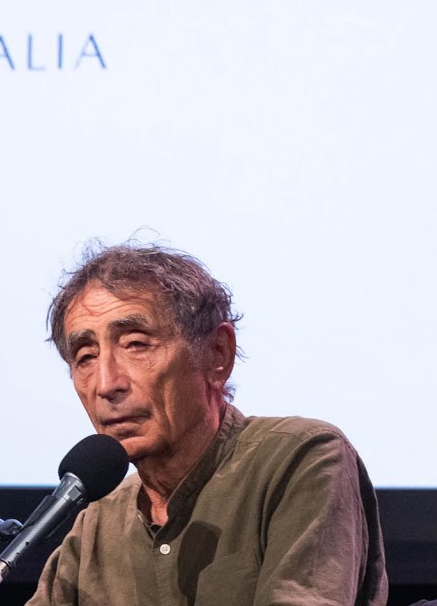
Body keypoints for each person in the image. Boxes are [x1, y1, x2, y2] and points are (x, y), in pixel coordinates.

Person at [27, 242, 387, 606]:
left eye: (136, 344)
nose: (106, 384)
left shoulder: (300, 459)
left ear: (217, 354)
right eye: (85, 357)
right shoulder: (96, 525)